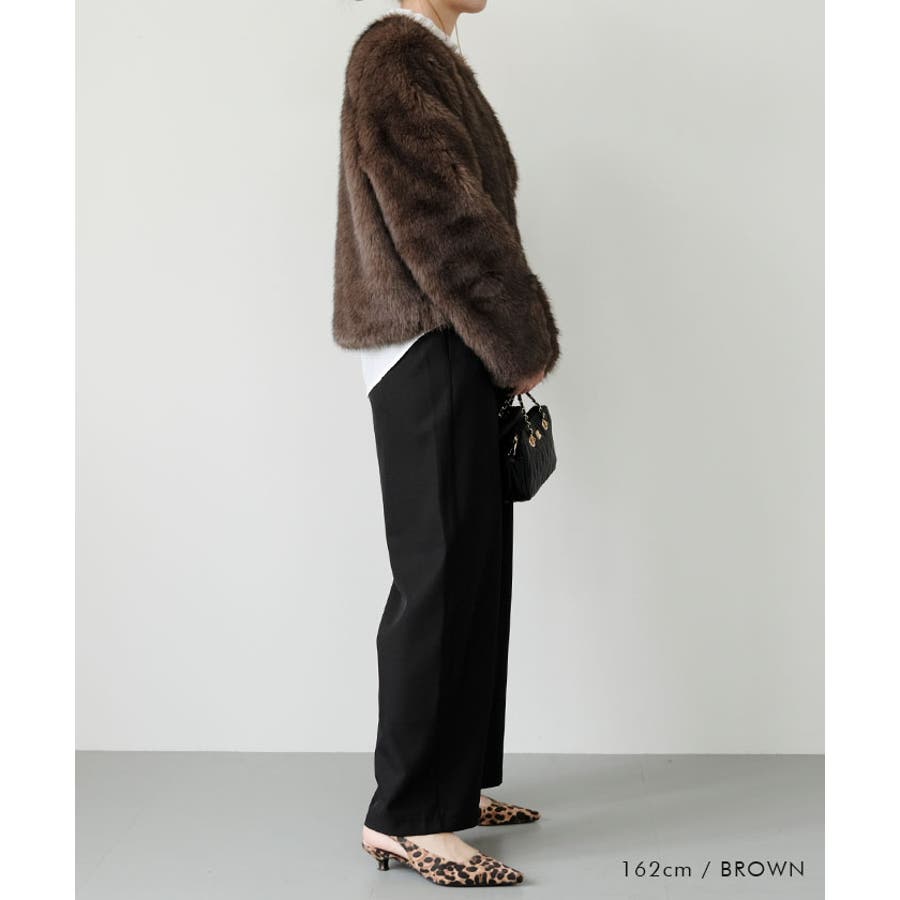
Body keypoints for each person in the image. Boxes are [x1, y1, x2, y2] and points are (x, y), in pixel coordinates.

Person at [332, 0, 561, 887]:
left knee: (473, 567)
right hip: (430, 343)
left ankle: (453, 788)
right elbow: (442, 220)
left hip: (455, 342)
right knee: (437, 573)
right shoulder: (395, 52)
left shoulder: (429, 57)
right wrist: (520, 341)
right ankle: (406, 816)